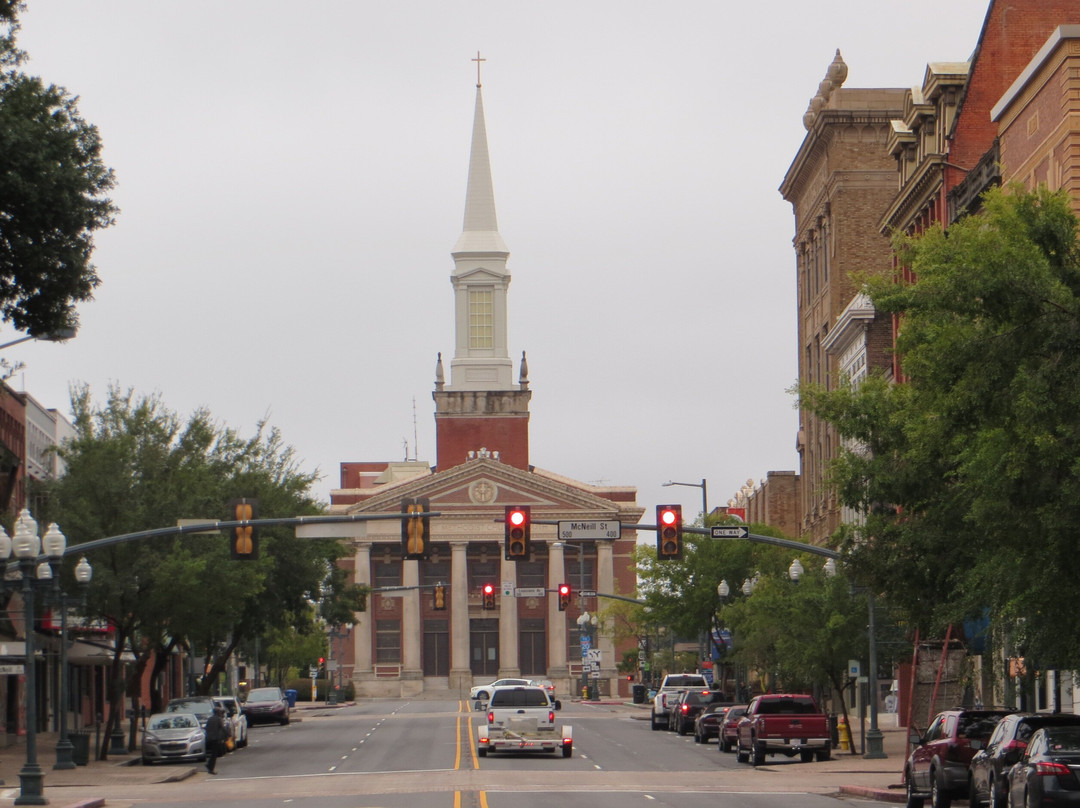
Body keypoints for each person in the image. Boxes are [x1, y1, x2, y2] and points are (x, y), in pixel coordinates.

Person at [204, 706, 230, 774]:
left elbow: (206, 728)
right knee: (214, 754)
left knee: (212, 753)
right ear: (218, 713)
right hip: (215, 739)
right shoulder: (218, 719)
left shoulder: (209, 719)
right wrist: (228, 734)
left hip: (209, 738)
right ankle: (210, 768)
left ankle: (209, 765)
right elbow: (222, 728)